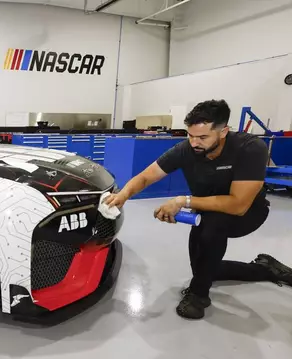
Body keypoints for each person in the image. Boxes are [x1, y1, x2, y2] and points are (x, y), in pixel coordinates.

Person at [106, 99, 292, 319]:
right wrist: (123, 195)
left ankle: (199, 295)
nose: (194, 143)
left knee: (212, 228)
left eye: (203, 137)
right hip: (206, 210)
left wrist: (183, 201)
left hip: (249, 213)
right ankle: (265, 268)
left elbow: (238, 205)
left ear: (223, 132)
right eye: (190, 135)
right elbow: (147, 176)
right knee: (204, 267)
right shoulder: (187, 149)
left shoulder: (249, 148)